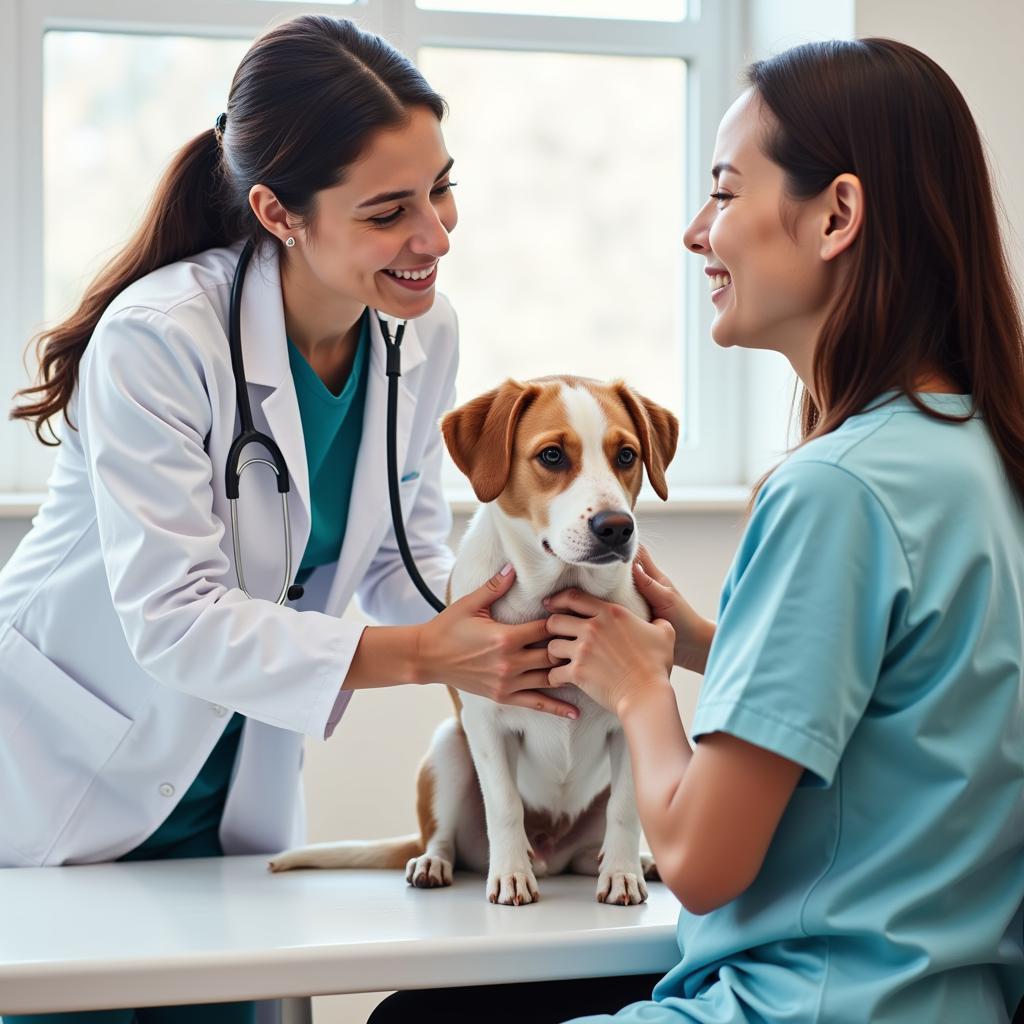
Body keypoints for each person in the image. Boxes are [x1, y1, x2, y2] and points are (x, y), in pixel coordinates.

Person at [367, 37, 1024, 1024]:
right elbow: (913, 712)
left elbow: (700, 861)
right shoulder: (981, 451)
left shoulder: (834, 490)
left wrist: (638, 687)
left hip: (811, 1003)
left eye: (722, 193)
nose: (693, 232)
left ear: (836, 213)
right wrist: (706, 644)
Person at [0, 15, 581, 1024]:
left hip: (229, 810)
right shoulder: (159, 338)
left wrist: (516, 618)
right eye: (389, 210)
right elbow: (176, 617)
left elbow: (405, 559)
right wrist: (426, 655)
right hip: (56, 785)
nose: (435, 236)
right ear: (277, 210)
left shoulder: (417, 330)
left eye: (443, 188)